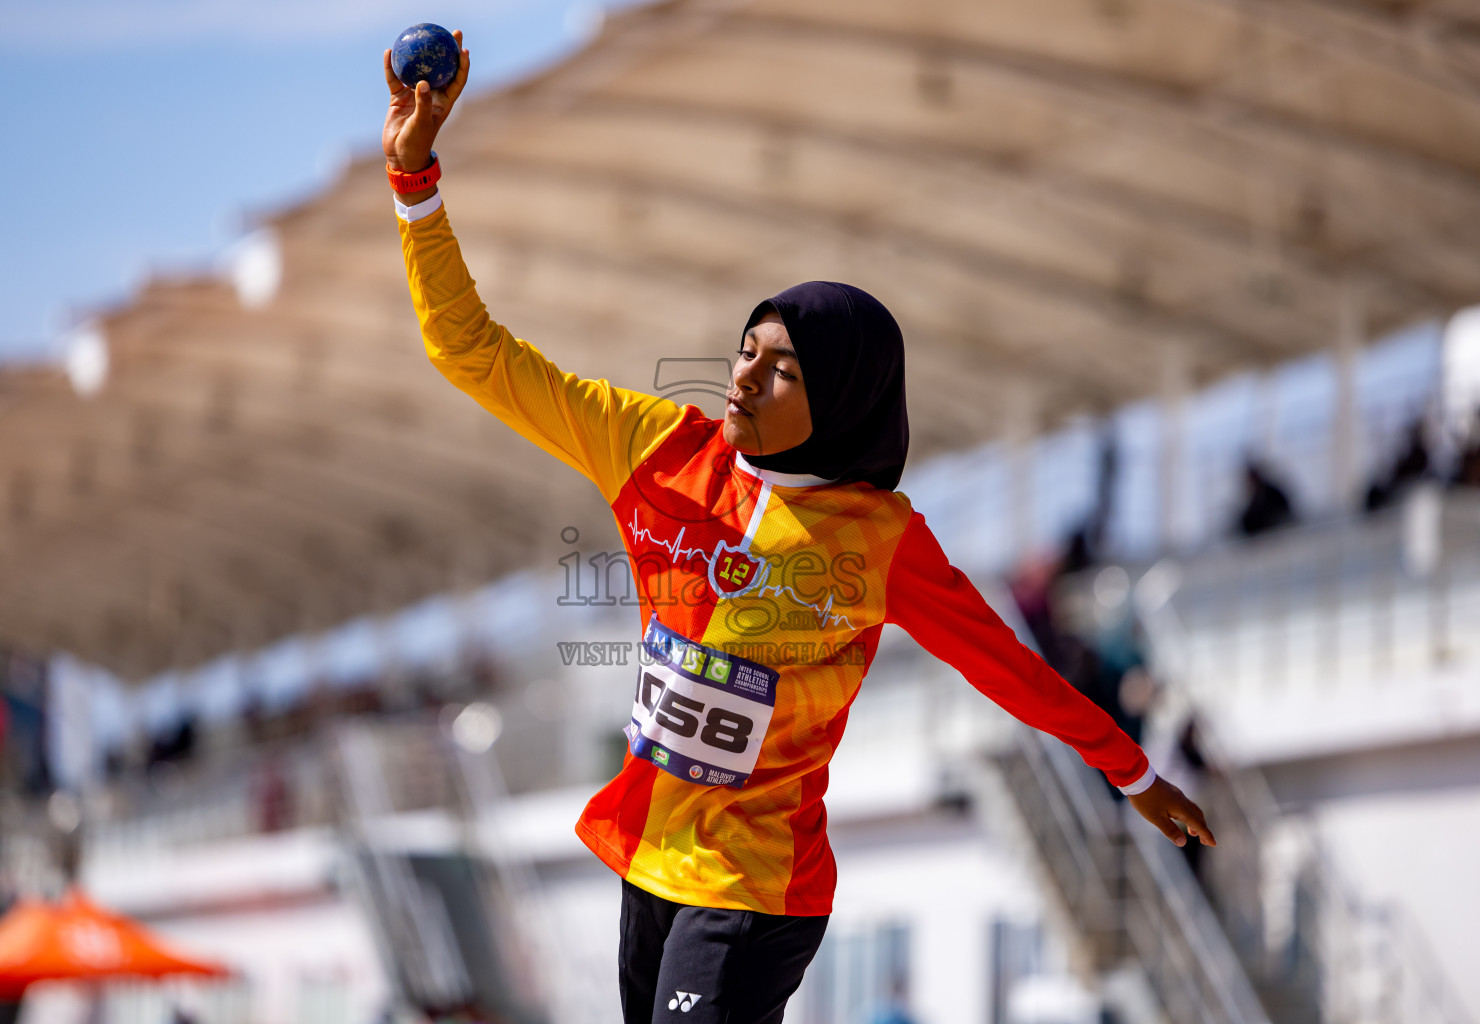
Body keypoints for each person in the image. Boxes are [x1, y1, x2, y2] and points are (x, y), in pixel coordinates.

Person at [381, 42, 1214, 1024]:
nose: (739, 376)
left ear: (845, 400)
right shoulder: (653, 446)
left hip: (756, 892)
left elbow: (1004, 664)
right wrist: (414, 185)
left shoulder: (878, 541)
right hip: (651, 860)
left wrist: (1131, 767)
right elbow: (472, 351)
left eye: (778, 368)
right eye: (743, 350)